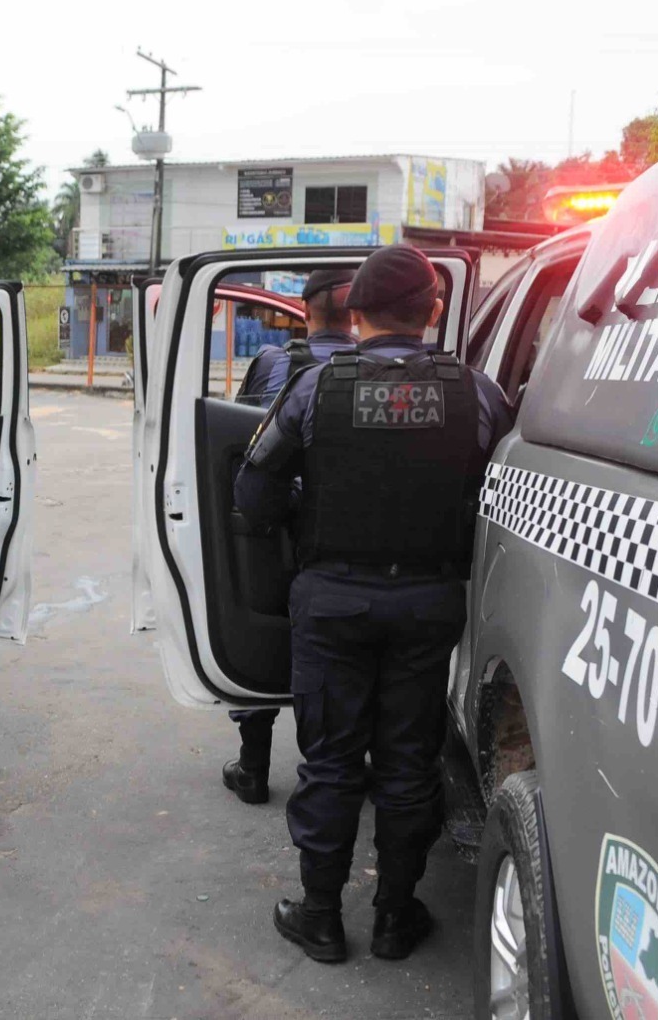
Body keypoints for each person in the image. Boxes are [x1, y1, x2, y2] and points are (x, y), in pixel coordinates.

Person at [233, 244, 512, 964]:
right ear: (436, 310)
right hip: (427, 604)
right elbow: (499, 495)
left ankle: (320, 915)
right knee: (407, 761)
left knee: (329, 761)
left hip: (332, 604)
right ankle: (395, 915)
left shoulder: (313, 388)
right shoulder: (477, 392)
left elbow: (254, 495)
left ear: (353, 314)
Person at [223, 269, 358, 806]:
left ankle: (253, 764)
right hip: (350, 544)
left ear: (305, 314)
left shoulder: (273, 364)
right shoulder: (372, 372)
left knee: (264, 631)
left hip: (279, 532)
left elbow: (240, 438)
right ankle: (344, 766)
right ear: (357, 316)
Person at [234, 269, 357, 408]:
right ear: (355, 314)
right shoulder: (375, 369)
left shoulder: (269, 362)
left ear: (306, 310)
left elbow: (241, 421)